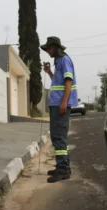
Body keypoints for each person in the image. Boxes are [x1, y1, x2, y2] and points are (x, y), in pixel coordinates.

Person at [41, 37, 78, 183]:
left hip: (60, 105)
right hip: (56, 104)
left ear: (56, 48)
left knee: (60, 137)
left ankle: (63, 171)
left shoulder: (64, 60)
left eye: (49, 48)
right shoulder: (58, 62)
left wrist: (64, 102)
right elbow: (58, 82)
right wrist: (49, 72)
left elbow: (68, 81)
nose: (48, 51)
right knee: (57, 137)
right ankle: (62, 167)